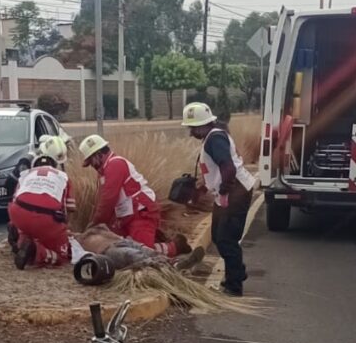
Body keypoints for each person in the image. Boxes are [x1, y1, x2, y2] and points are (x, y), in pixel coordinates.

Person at [181, 101, 257, 296]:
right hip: (229, 192)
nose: (191, 133)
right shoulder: (213, 137)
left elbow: (229, 169)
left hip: (235, 193)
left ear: (202, 125)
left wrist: (223, 191)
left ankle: (234, 284)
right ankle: (238, 272)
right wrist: (202, 189)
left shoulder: (215, 139)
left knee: (226, 239)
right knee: (218, 235)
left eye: (192, 128)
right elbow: (216, 171)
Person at [79, 134, 185, 258]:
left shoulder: (115, 165)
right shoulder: (106, 170)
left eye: (91, 161)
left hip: (141, 213)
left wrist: (96, 223)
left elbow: (108, 200)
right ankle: (163, 245)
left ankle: (174, 247)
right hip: (127, 216)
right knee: (124, 248)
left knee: (141, 253)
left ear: (98, 155)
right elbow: (105, 201)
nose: (91, 165)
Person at [8, 134, 75, 269]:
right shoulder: (63, 178)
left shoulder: (25, 174)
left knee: (25, 225)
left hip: (18, 214)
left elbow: (14, 199)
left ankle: (20, 240)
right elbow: (68, 210)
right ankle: (37, 252)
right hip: (45, 217)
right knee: (63, 255)